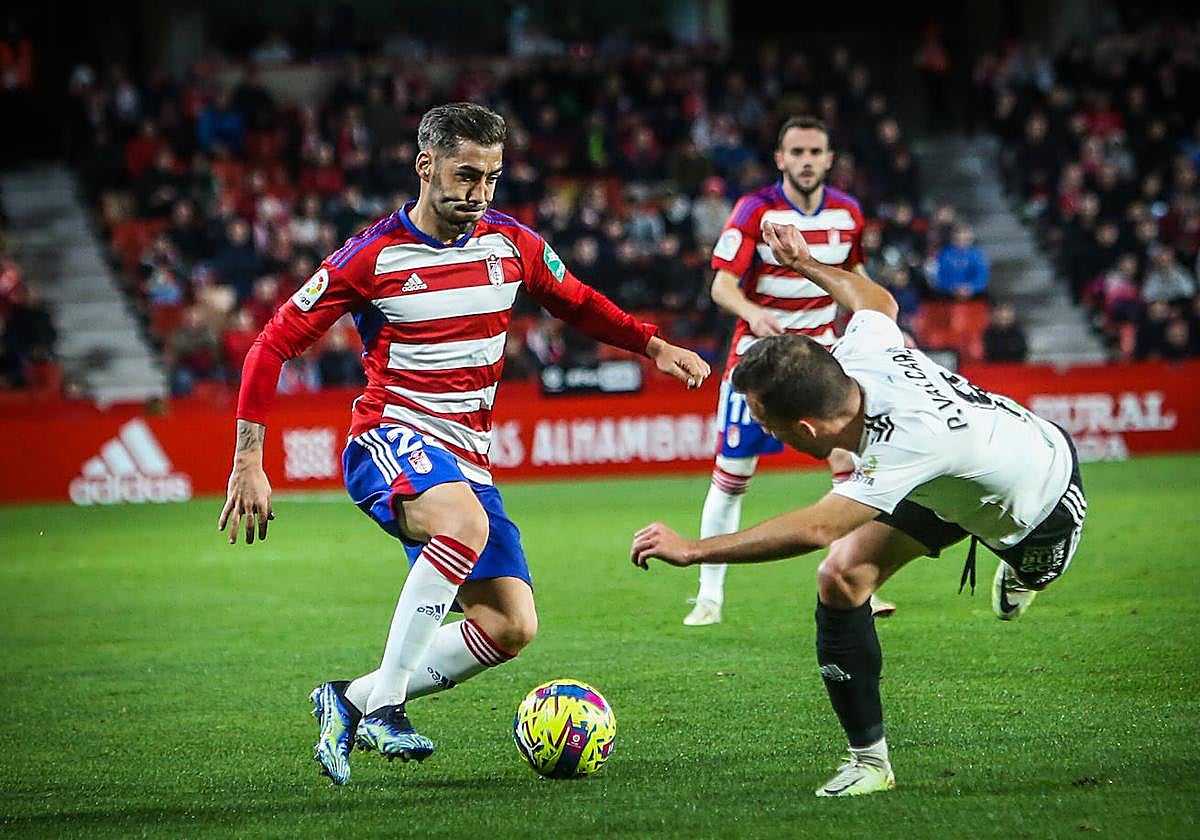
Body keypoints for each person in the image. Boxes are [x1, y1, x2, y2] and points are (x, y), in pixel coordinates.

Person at [217, 102, 710, 786]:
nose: (478, 193)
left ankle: (350, 699)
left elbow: (576, 300)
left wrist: (651, 344)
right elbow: (272, 343)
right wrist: (249, 458)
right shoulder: (371, 256)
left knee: (511, 625)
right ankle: (388, 705)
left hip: (467, 458)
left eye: (491, 178)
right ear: (426, 166)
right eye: (465, 174)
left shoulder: (511, 243)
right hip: (388, 437)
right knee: (465, 524)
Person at [631, 218, 1086, 797]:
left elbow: (819, 525)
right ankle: (870, 762)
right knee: (843, 578)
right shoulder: (856, 357)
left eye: (768, 426)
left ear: (805, 427)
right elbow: (877, 299)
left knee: (1015, 561)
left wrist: (694, 550)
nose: (766, 435)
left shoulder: (905, 443)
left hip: (1040, 496)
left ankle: (1031, 568)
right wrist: (802, 264)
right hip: (953, 474)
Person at [685, 114, 894, 627]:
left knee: (853, 469)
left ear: (829, 159)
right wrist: (752, 312)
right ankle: (709, 594)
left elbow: (855, 275)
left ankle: (856, 578)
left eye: (815, 153)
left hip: (827, 362)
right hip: (756, 364)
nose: (806, 162)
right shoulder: (755, 210)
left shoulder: (848, 213)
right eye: (796, 153)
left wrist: (877, 318)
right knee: (732, 479)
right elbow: (721, 285)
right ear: (780, 159)